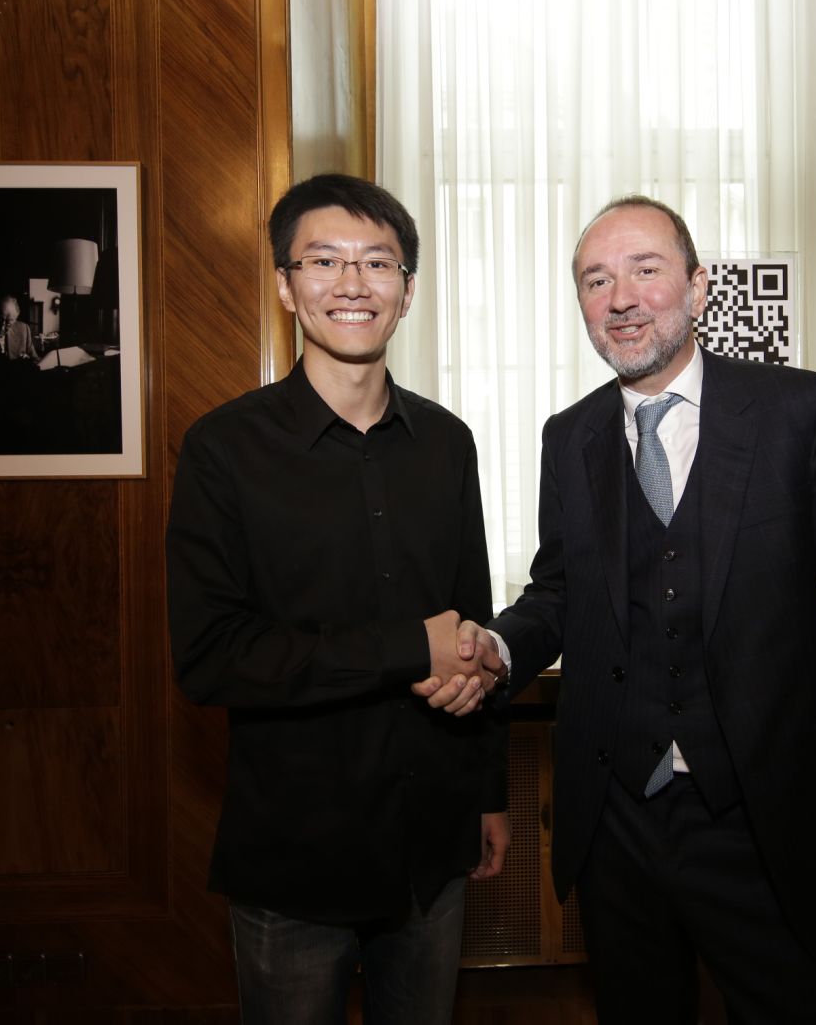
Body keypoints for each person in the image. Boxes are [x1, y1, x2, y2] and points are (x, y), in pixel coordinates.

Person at [422, 195, 816, 1023]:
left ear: (699, 287)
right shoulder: (569, 437)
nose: (621, 297)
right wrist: (495, 644)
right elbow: (559, 593)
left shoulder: (799, 411)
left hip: (769, 823)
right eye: (596, 280)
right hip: (619, 827)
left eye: (646, 270)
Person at [166, 173, 510, 1025]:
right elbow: (212, 655)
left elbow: (472, 626)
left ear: (408, 290)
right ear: (285, 285)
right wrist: (408, 649)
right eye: (324, 260)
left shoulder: (448, 441)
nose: (352, 283)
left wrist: (487, 794)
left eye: (378, 263)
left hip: (430, 848)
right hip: (294, 860)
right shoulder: (223, 448)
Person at [0, 294, 41, 361]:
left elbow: (35, 359)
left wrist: (28, 360)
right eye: (1, 319)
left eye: (9, 322)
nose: (2, 327)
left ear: (16, 318)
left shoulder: (23, 329)